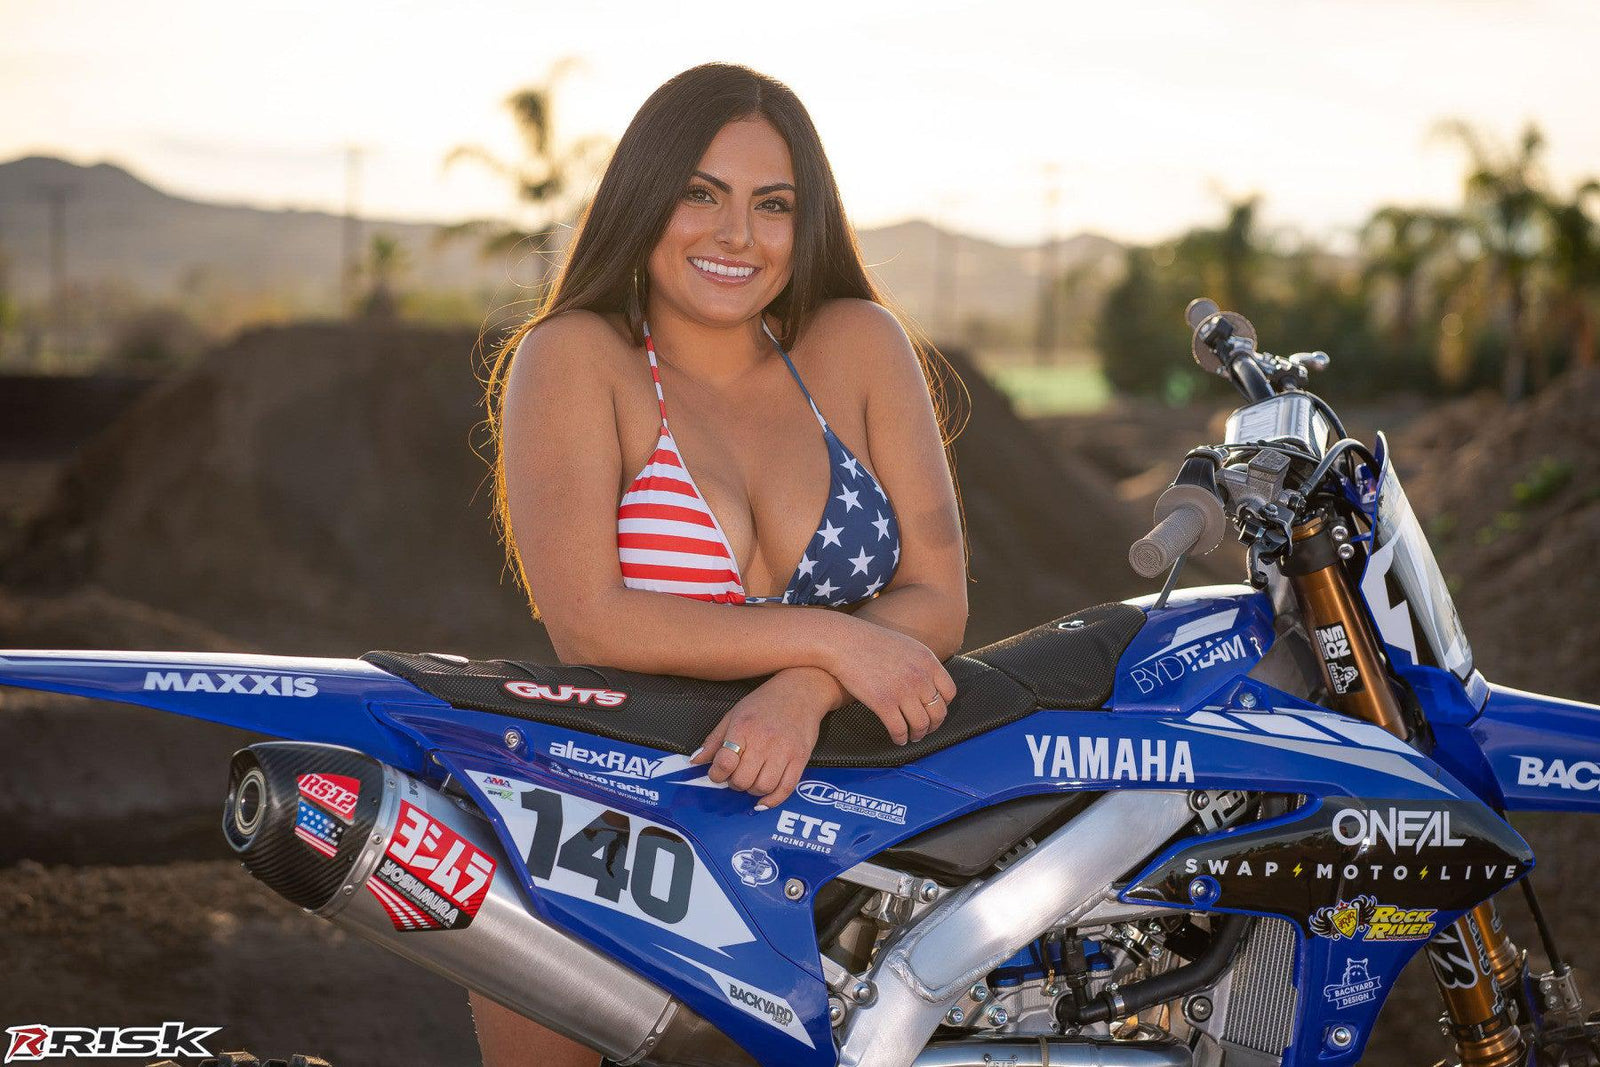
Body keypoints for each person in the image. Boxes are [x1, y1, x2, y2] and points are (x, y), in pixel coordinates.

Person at [474, 62, 968, 1067]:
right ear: (645, 196)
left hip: (843, 822)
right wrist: (836, 637)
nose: (737, 233)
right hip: (611, 824)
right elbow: (592, 623)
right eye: (701, 192)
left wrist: (802, 687)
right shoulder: (575, 357)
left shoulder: (857, 344)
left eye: (771, 203)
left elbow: (937, 594)